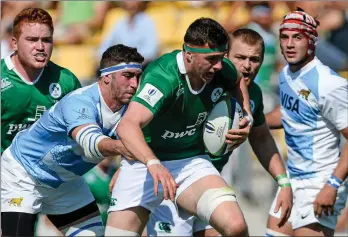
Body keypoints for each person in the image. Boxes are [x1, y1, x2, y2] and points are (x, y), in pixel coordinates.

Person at [107, 17, 254, 237]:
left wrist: (246, 116)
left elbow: (237, 79)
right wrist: (153, 163)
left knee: (236, 226)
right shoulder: (163, 76)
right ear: (189, 55)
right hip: (143, 164)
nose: (219, 66)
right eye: (212, 59)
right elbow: (127, 125)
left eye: (221, 58)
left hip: (190, 161)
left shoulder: (220, 69)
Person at [141, 28, 293, 236]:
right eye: (240, 57)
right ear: (225, 57)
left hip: (209, 186)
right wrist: (129, 163)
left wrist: (283, 182)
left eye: (254, 59)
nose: (247, 66)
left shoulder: (253, 95)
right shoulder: (196, 84)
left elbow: (262, 138)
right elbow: (143, 124)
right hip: (171, 183)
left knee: (235, 229)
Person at [1, 44, 144, 236]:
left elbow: (150, 141)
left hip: (65, 182)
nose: (134, 84)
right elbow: (90, 143)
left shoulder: (132, 111)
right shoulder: (79, 101)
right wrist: (125, 148)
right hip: (24, 173)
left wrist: (126, 165)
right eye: (128, 76)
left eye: (137, 76)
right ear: (107, 76)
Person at [265, 8, 348, 237]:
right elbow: (288, 113)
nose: (289, 44)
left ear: (311, 42)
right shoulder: (286, 75)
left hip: (321, 181)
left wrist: (332, 185)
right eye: (285, 37)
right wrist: (253, 122)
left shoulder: (329, 84)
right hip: (293, 179)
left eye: (297, 37)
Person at [1, 7, 82, 154]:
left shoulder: (66, 81)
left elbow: (80, 129)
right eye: (31, 40)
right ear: (14, 43)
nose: (40, 47)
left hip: (48, 171)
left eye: (46, 40)